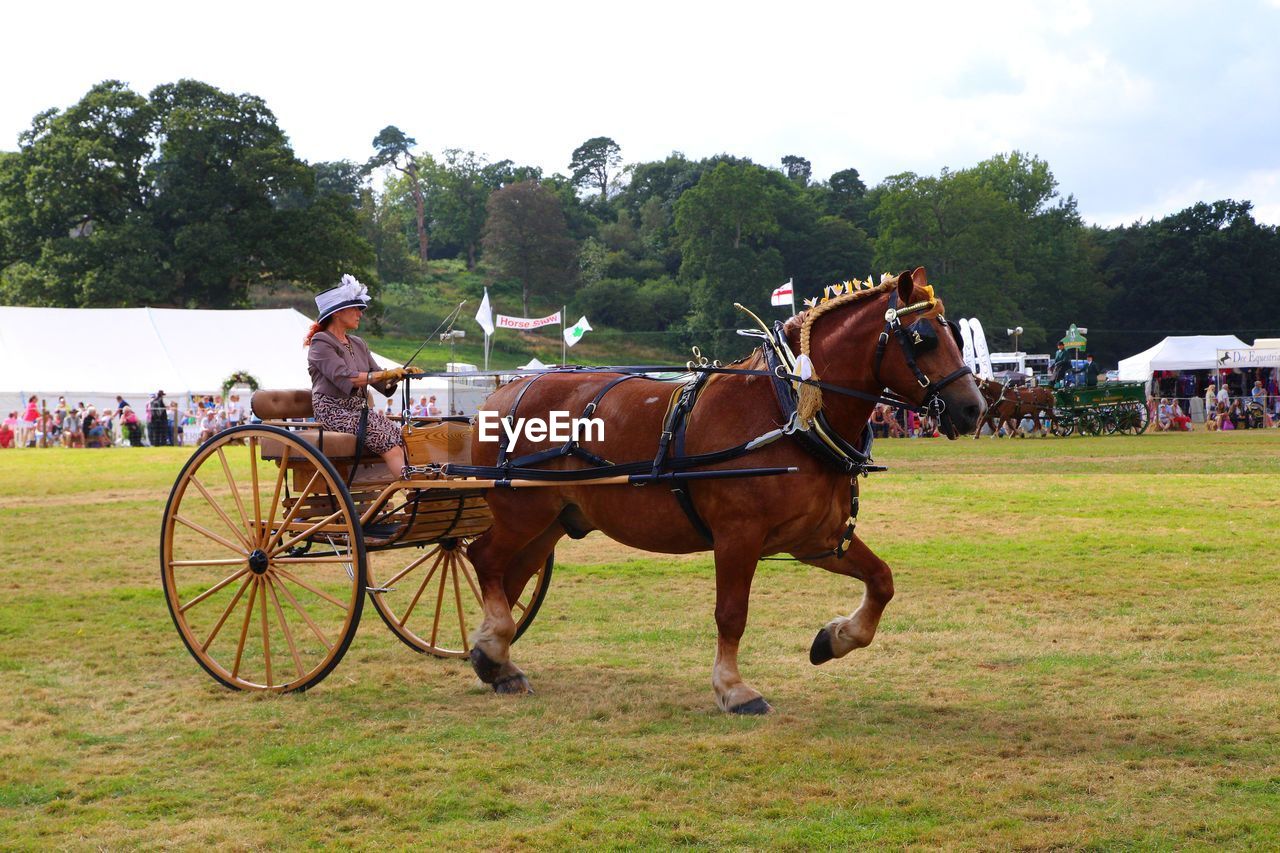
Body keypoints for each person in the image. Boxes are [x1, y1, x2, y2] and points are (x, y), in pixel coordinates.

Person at [306, 274, 421, 479]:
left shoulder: (358, 343)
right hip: (333, 411)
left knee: (402, 437)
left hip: (359, 411)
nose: (360, 313)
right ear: (338, 312)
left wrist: (401, 375)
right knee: (388, 442)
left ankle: (417, 486)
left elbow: (381, 383)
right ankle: (414, 492)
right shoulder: (321, 343)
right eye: (356, 308)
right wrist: (384, 373)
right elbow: (347, 378)